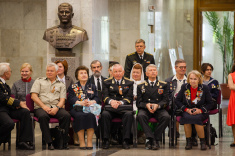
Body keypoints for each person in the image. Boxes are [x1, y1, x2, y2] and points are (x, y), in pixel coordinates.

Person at [31, 63, 71, 150]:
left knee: (66, 115)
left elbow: (62, 100)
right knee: (43, 116)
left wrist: (57, 108)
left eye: (51, 71)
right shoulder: (39, 81)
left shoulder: (61, 84)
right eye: (47, 71)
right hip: (41, 107)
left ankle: (62, 142)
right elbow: (33, 96)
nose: (49, 72)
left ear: (56, 72)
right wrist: (44, 107)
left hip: (55, 107)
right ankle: (49, 142)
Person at [175, 70, 214, 150]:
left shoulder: (204, 88)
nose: (192, 81)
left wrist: (201, 110)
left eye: (195, 79)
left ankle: (203, 142)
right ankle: (188, 141)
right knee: (186, 118)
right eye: (191, 78)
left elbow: (210, 103)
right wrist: (186, 109)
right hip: (187, 110)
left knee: (197, 118)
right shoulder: (184, 87)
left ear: (199, 79)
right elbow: (177, 100)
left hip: (201, 110)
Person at [0, 63, 34, 150]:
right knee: (9, 123)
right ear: (6, 73)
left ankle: (23, 141)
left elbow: (8, 99)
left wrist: (17, 106)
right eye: (10, 71)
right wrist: (19, 103)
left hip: (9, 109)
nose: (11, 73)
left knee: (25, 112)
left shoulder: (5, 84)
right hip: (2, 110)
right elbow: (3, 98)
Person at [137, 64, 170, 150]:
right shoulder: (141, 86)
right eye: (150, 70)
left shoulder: (163, 85)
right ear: (146, 73)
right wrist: (146, 105)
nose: (153, 72)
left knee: (166, 117)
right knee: (140, 116)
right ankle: (152, 139)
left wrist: (158, 105)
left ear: (157, 72)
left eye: (154, 70)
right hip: (145, 109)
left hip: (159, 108)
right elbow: (139, 102)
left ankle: (153, 139)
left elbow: (166, 100)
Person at [101, 64, 134, 149]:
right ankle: (106, 140)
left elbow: (129, 97)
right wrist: (112, 102)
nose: (118, 73)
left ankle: (125, 140)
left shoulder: (129, 82)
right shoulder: (106, 82)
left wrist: (120, 102)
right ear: (111, 72)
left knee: (129, 115)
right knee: (105, 114)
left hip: (123, 108)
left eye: (119, 71)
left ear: (123, 72)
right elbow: (105, 96)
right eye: (115, 71)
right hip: (111, 108)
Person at [68, 66, 100, 150]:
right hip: (77, 109)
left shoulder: (92, 86)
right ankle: (81, 142)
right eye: (81, 73)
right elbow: (70, 98)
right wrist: (80, 102)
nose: (83, 75)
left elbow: (97, 98)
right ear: (77, 76)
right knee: (80, 116)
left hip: (90, 108)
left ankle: (89, 142)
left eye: (85, 73)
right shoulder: (72, 87)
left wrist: (91, 102)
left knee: (91, 116)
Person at [165, 59, 187, 138]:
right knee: (168, 111)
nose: (183, 69)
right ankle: (174, 131)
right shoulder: (168, 81)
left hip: (186, 104)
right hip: (173, 104)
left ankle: (191, 136)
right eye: (181, 67)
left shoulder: (189, 80)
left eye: (184, 67)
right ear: (175, 68)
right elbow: (166, 95)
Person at [227, 64, 235, 147]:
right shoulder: (231, 75)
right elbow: (231, 87)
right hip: (234, 100)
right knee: (234, 121)